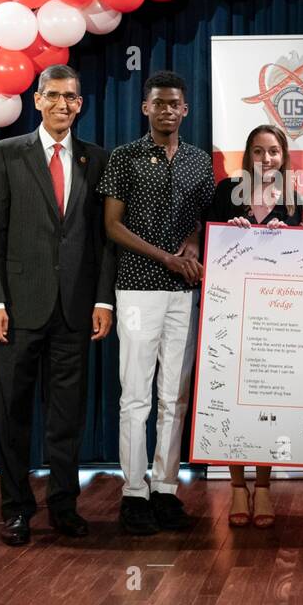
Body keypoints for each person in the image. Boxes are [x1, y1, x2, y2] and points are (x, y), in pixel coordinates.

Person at [0, 64, 115, 546]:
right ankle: (16, 509)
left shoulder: (97, 160)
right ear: (37, 100)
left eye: (71, 97)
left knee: (66, 416)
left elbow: (102, 240)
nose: (63, 104)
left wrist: (103, 298)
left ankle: (63, 505)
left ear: (81, 103)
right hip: (15, 310)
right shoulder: (6, 154)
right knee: (13, 415)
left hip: (75, 311)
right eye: (53, 95)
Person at [98, 70, 215, 535]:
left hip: (184, 291)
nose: (167, 110)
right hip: (137, 287)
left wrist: (189, 245)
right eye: (158, 103)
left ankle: (166, 488)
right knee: (136, 395)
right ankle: (133, 492)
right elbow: (112, 225)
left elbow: (202, 216)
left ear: (185, 110)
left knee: (175, 395)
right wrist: (166, 256)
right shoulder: (124, 157)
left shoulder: (199, 161)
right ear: (146, 108)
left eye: (175, 104)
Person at [203, 124, 303, 528]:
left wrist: (296, 238)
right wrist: (228, 235)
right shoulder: (225, 191)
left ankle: (263, 487)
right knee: (234, 399)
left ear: (283, 157)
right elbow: (205, 244)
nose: (266, 159)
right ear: (247, 155)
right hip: (229, 309)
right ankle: (237, 486)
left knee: (266, 402)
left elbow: (300, 261)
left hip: (272, 316)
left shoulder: (293, 200)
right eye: (258, 151)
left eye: (273, 152)